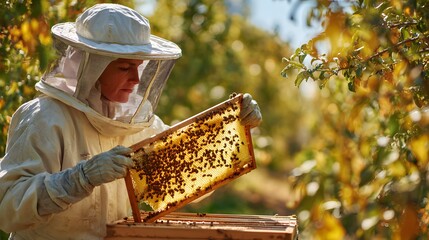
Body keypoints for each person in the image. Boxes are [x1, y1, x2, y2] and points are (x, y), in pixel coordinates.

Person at [0, 3, 262, 239]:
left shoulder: (139, 123)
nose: (136, 80)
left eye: (139, 67)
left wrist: (235, 127)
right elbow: (7, 208)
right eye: (125, 68)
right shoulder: (43, 118)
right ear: (92, 68)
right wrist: (79, 179)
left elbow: (183, 178)